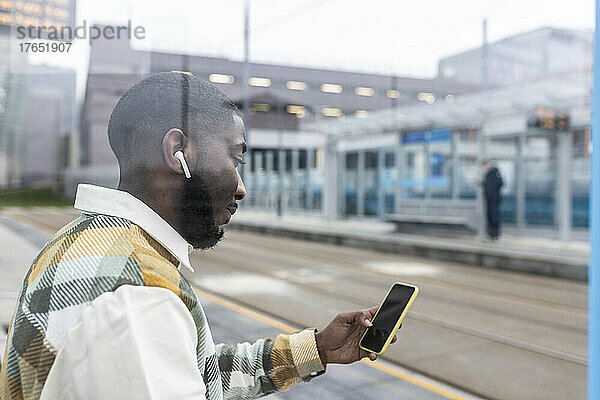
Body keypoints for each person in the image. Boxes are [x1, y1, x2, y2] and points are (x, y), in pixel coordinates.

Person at [0, 72, 397, 400]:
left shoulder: (83, 239)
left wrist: (319, 349)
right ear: (179, 152)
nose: (241, 187)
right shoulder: (139, 300)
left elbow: (198, 371)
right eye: (235, 157)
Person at [481, 160, 504, 240]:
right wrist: (483, 184)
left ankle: (496, 234)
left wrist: (492, 191)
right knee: (489, 216)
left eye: (485, 165)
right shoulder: (487, 174)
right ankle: (491, 234)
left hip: (494, 198)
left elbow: (500, 183)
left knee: (494, 216)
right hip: (488, 198)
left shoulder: (496, 172)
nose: (485, 167)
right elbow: (487, 184)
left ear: (489, 164)